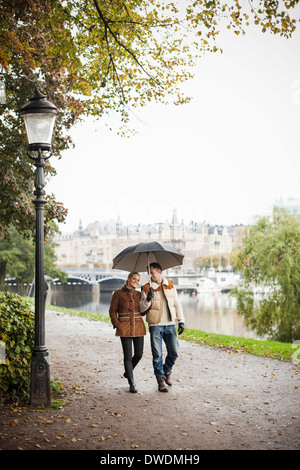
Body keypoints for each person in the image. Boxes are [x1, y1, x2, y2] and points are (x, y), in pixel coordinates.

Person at [140, 262, 185, 392]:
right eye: (149, 273)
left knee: (174, 351)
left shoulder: (170, 285)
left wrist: (181, 321)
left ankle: (167, 371)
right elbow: (141, 308)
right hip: (155, 325)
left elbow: (177, 303)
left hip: (170, 324)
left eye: (152, 273)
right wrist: (148, 299)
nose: (151, 275)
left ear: (160, 272)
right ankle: (160, 380)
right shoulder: (146, 287)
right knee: (157, 354)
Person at [109, 271, 146, 393]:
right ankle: (131, 382)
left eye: (138, 280)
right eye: (134, 279)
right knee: (128, 356)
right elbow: (112, 310)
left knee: (139, 354)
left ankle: (127, 372)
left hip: (138, 327)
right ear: (129, 279)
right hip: (124, 327)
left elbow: (144, 311)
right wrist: (117, 324)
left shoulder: (140, 294)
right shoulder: (118, 294)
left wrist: (149, 300)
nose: (136, 281)